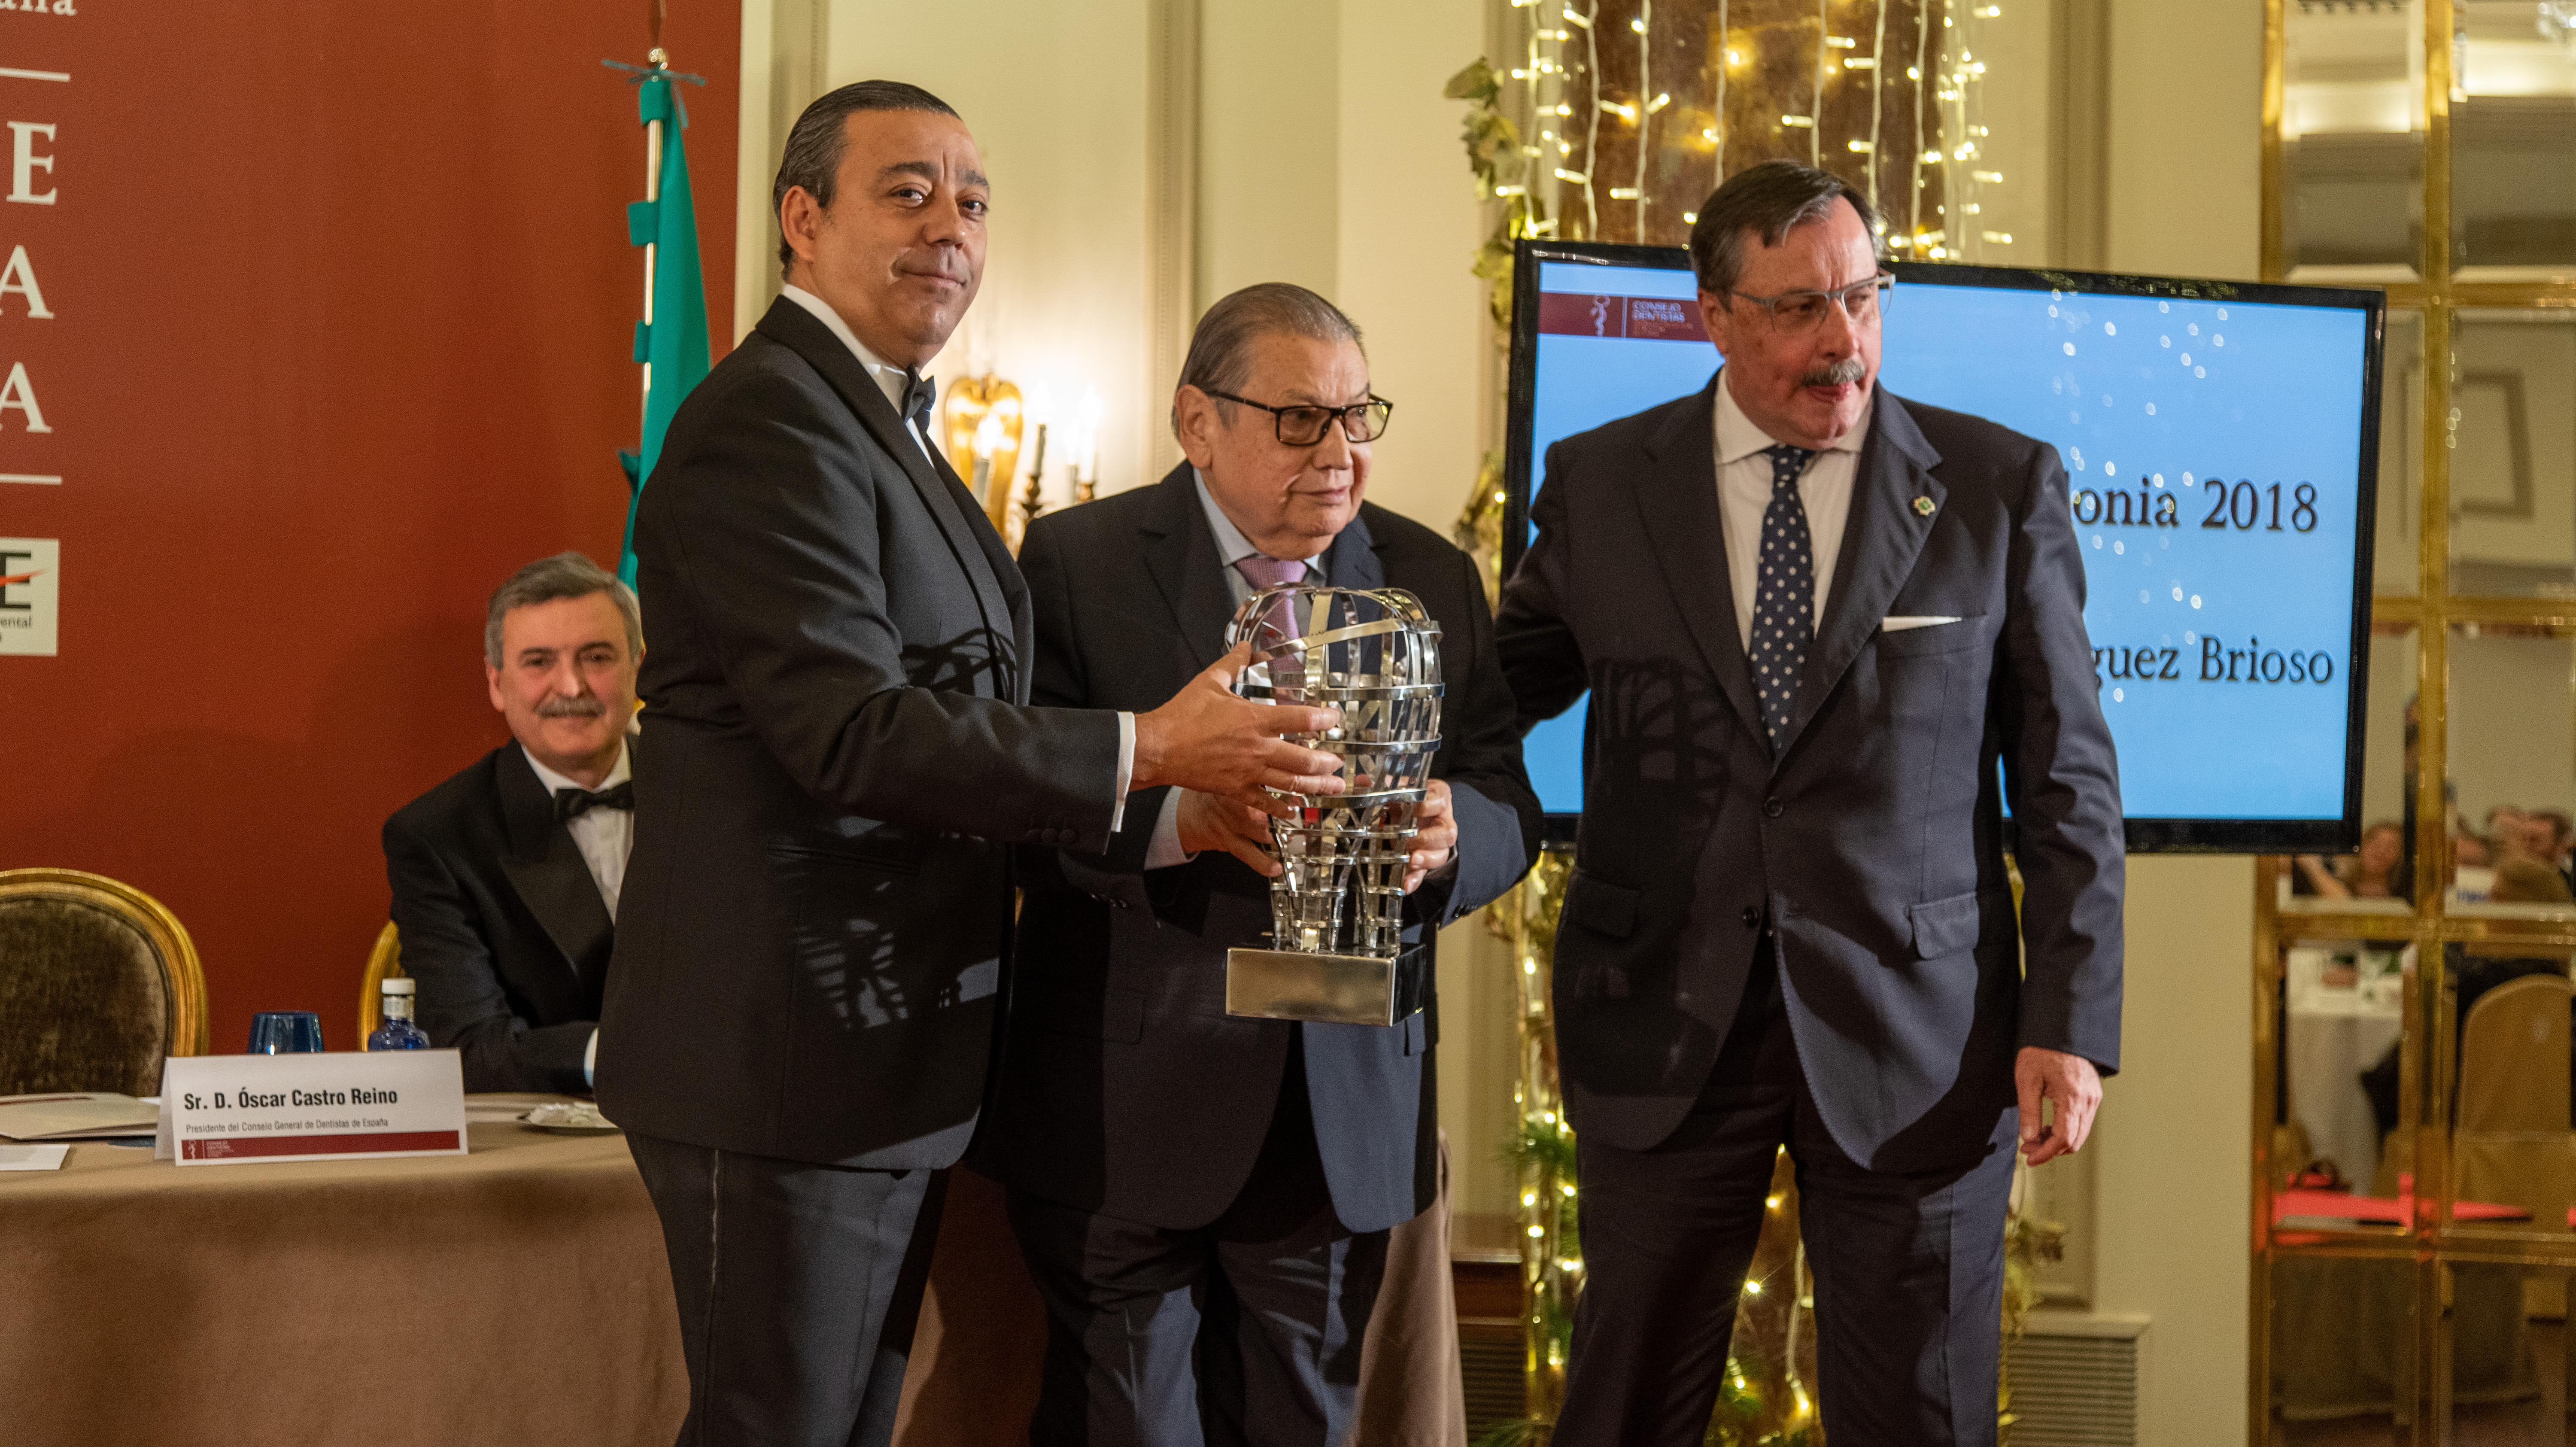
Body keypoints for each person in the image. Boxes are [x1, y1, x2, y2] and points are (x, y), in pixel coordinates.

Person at [594, 81, 1349, 1447]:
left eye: (974, 200)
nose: (951, 226)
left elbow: (960, 722)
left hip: (878, 1060)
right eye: (908, 191)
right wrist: (1147, 743)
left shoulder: (881, 425)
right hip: (784, 1060)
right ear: (799, 219)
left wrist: (1176, 806)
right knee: (782, 1426)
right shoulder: (767, 422)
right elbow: (851, 732)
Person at [1495, 161, 2125, 1446]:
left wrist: (2068, 1017)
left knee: (1919, 1422)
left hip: (1921, 1041)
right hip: (1659, 1024)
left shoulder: (1995, 485)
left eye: (1861, 297)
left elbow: (2065, 779)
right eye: (1797, 309)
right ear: (1712, 313)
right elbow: (1492, 701)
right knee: (1616, 1413)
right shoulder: (1602, 482)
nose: (1843, 341)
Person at [983, 283, 1543, 1445]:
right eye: (1302, 421)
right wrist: (1182, 821)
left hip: (1338, 1108)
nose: (1342, 453)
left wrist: (1455, 838)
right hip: (1124, 1106)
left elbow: (1508, 794)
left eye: (1359, 416)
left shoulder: (1432, 576)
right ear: (1199, 422)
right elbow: (1020, 806)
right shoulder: (1079, 560)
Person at [383, 551, 639, 1093]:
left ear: (639, 665)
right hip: (554, 1145)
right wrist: (628, 1052)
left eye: (596, 656)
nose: (570, 687)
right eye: (539, 662)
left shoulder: (719, 794)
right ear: (497, 683)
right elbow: (469, 1049)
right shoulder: (437, 836)